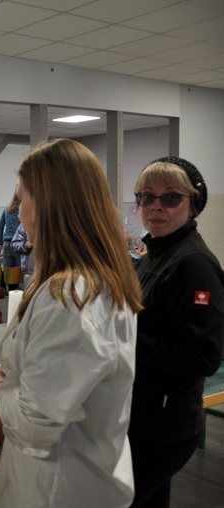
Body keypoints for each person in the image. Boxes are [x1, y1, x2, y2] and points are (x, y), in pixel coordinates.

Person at [0, 139, 142, 507]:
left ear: (42, 206)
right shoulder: (82, 281)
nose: (19, 211)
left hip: (59, 488)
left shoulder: (71, 297)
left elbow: (34, 425)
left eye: (22, 197)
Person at [128, 157, 224, 508]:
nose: (156, 206)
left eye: (170, 198)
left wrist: (124, 338)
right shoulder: (155, 252)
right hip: (143, 414)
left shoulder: (194, 264)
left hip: (163, 425)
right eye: (146, 197)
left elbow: (203, 355)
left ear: (192, 204)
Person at [0, 191, 21, 267]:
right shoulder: (25, 209)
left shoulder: (7, 208)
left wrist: (1, 243)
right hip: (19, 243)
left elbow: (0, 227)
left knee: (8, 273)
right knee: (20, 274)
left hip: (7, 243)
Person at [10, 224, 34, 290]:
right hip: (30, 271)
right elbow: (14, 245)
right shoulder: (25, 224)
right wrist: (25, 245)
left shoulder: (54, 222)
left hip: (52, 271)